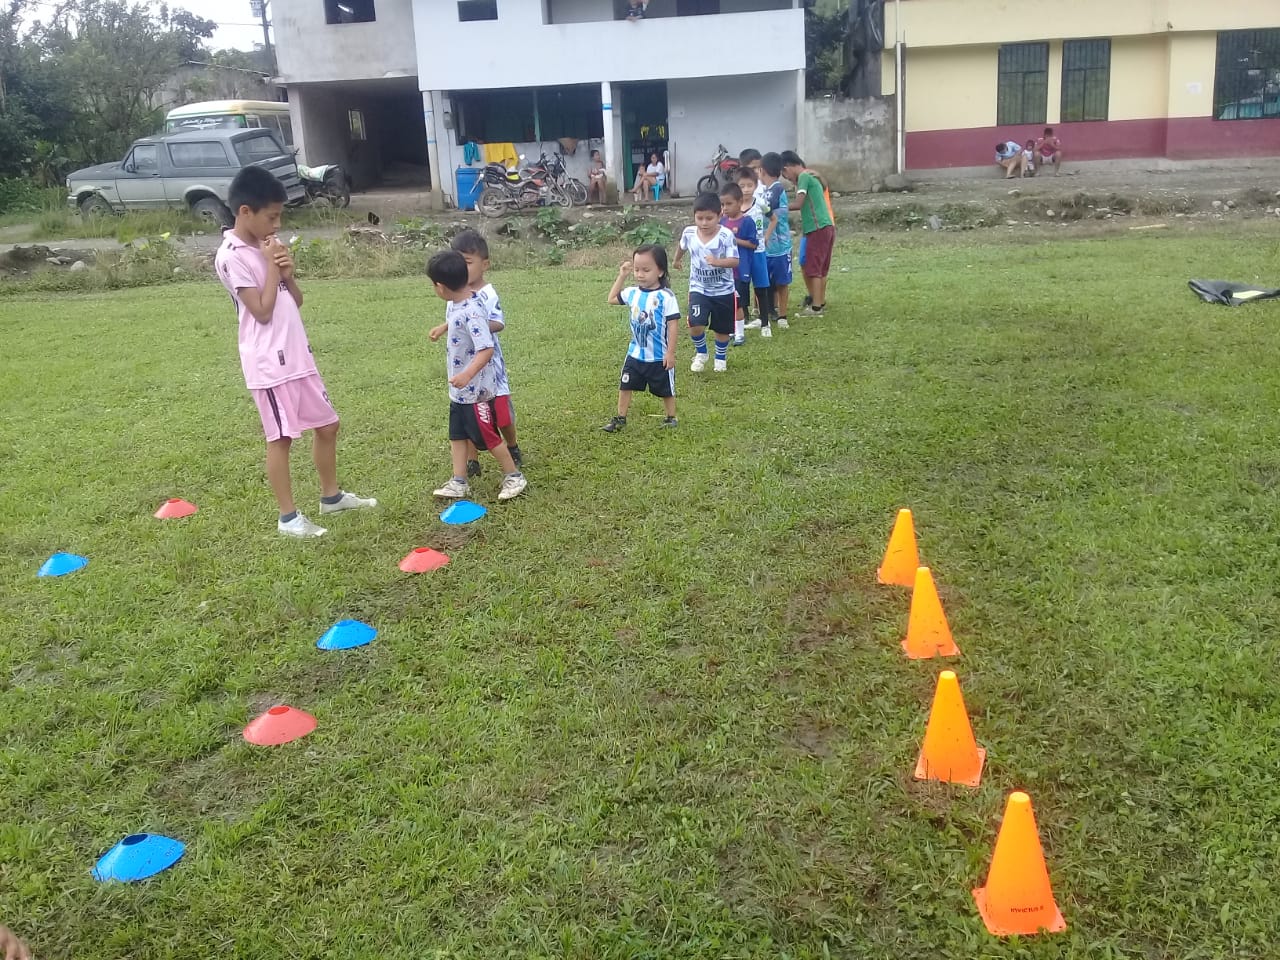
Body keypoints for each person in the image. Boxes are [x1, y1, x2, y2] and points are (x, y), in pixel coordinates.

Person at [214, 165, 376, 538]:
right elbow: (261, 311)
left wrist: (287, 274)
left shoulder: (265, 245)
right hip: (268, 363)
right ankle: (288, 519)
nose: (277, 224)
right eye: (271, 217)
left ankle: (331, 497)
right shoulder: (231, 256)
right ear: (245, 212)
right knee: (281, 438)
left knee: (328, 425)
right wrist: (273, 267)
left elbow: (294, 301)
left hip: (297, 355)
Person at [426, 250, 527, 501]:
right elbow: (460, 319)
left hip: (476, 391)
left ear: (440, 287)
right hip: (460, 392)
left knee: (489, 437)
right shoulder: (463, 301)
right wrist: (444, 327)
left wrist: (467, 374)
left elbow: (486, 348)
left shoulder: (472, 310)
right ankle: (459, 481)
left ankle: (514, 476)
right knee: (457, 435)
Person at [602, 244, 680, 432]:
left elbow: (673, 325)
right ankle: (620, 418)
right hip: (635, 353)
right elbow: (611, 299)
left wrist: (670, 353)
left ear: (660, 271)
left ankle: (671, 417)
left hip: (658, 356)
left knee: (665, 389)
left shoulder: (666, 297)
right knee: (625, 384)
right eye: (637, 269)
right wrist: (622, 276)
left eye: (646, 270)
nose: (640, 274)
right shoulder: (632, 293)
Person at [672, 192, 738, 373]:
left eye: (709, 218)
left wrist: (717, 262)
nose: (704, 223)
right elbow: (682, 246)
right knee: (695, 323)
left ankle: (720, 358)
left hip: (723, 290)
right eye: (699, 218)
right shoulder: (689, 233)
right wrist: (676, 260)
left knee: (722, 328)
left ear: (719, 215)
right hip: (699, 288)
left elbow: (734, 261)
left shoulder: (726, 236)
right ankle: (701, 353)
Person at [780, 151, 834, 317]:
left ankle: (816, 308)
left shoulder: (804, 176)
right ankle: (820, 302)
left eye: (785, 175)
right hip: (825, 226)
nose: (789, 179)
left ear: (787, 168)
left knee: (814, 267)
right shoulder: (812, 176)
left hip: (817, 227)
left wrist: (777, 207)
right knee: (819, 267)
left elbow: (798, 203)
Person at [736, 166, 775, 338]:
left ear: (755, 185)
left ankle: (765, 323)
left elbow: (773, 219)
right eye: (742, 186)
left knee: (761, 287)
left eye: (749, 185)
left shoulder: (760, 203)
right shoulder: (734, 206)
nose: (746, 189)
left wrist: (766, 236)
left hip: (758, 252)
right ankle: (743, 319)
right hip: (740, 253)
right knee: (741, 287)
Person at [719, 183, 757, 347]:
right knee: (726, 302)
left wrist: (734, 240)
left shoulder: (747, 222)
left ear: (740, 202)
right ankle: (731, 330)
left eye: (729, 204)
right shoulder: (722, 221)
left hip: (740, 270)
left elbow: (753, 244)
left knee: (738, 303)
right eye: (722, 204)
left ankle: (740, 333)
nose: (725, 208)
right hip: (724, 270)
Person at [759, 152, 793, 329]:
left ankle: (782, 315)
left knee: (782, 282)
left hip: (780, 245)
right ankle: (766, 312)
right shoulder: (763, 190)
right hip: (765, 247)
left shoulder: (776, 189)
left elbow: (767, 209)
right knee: (765, 282)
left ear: (762, 170)